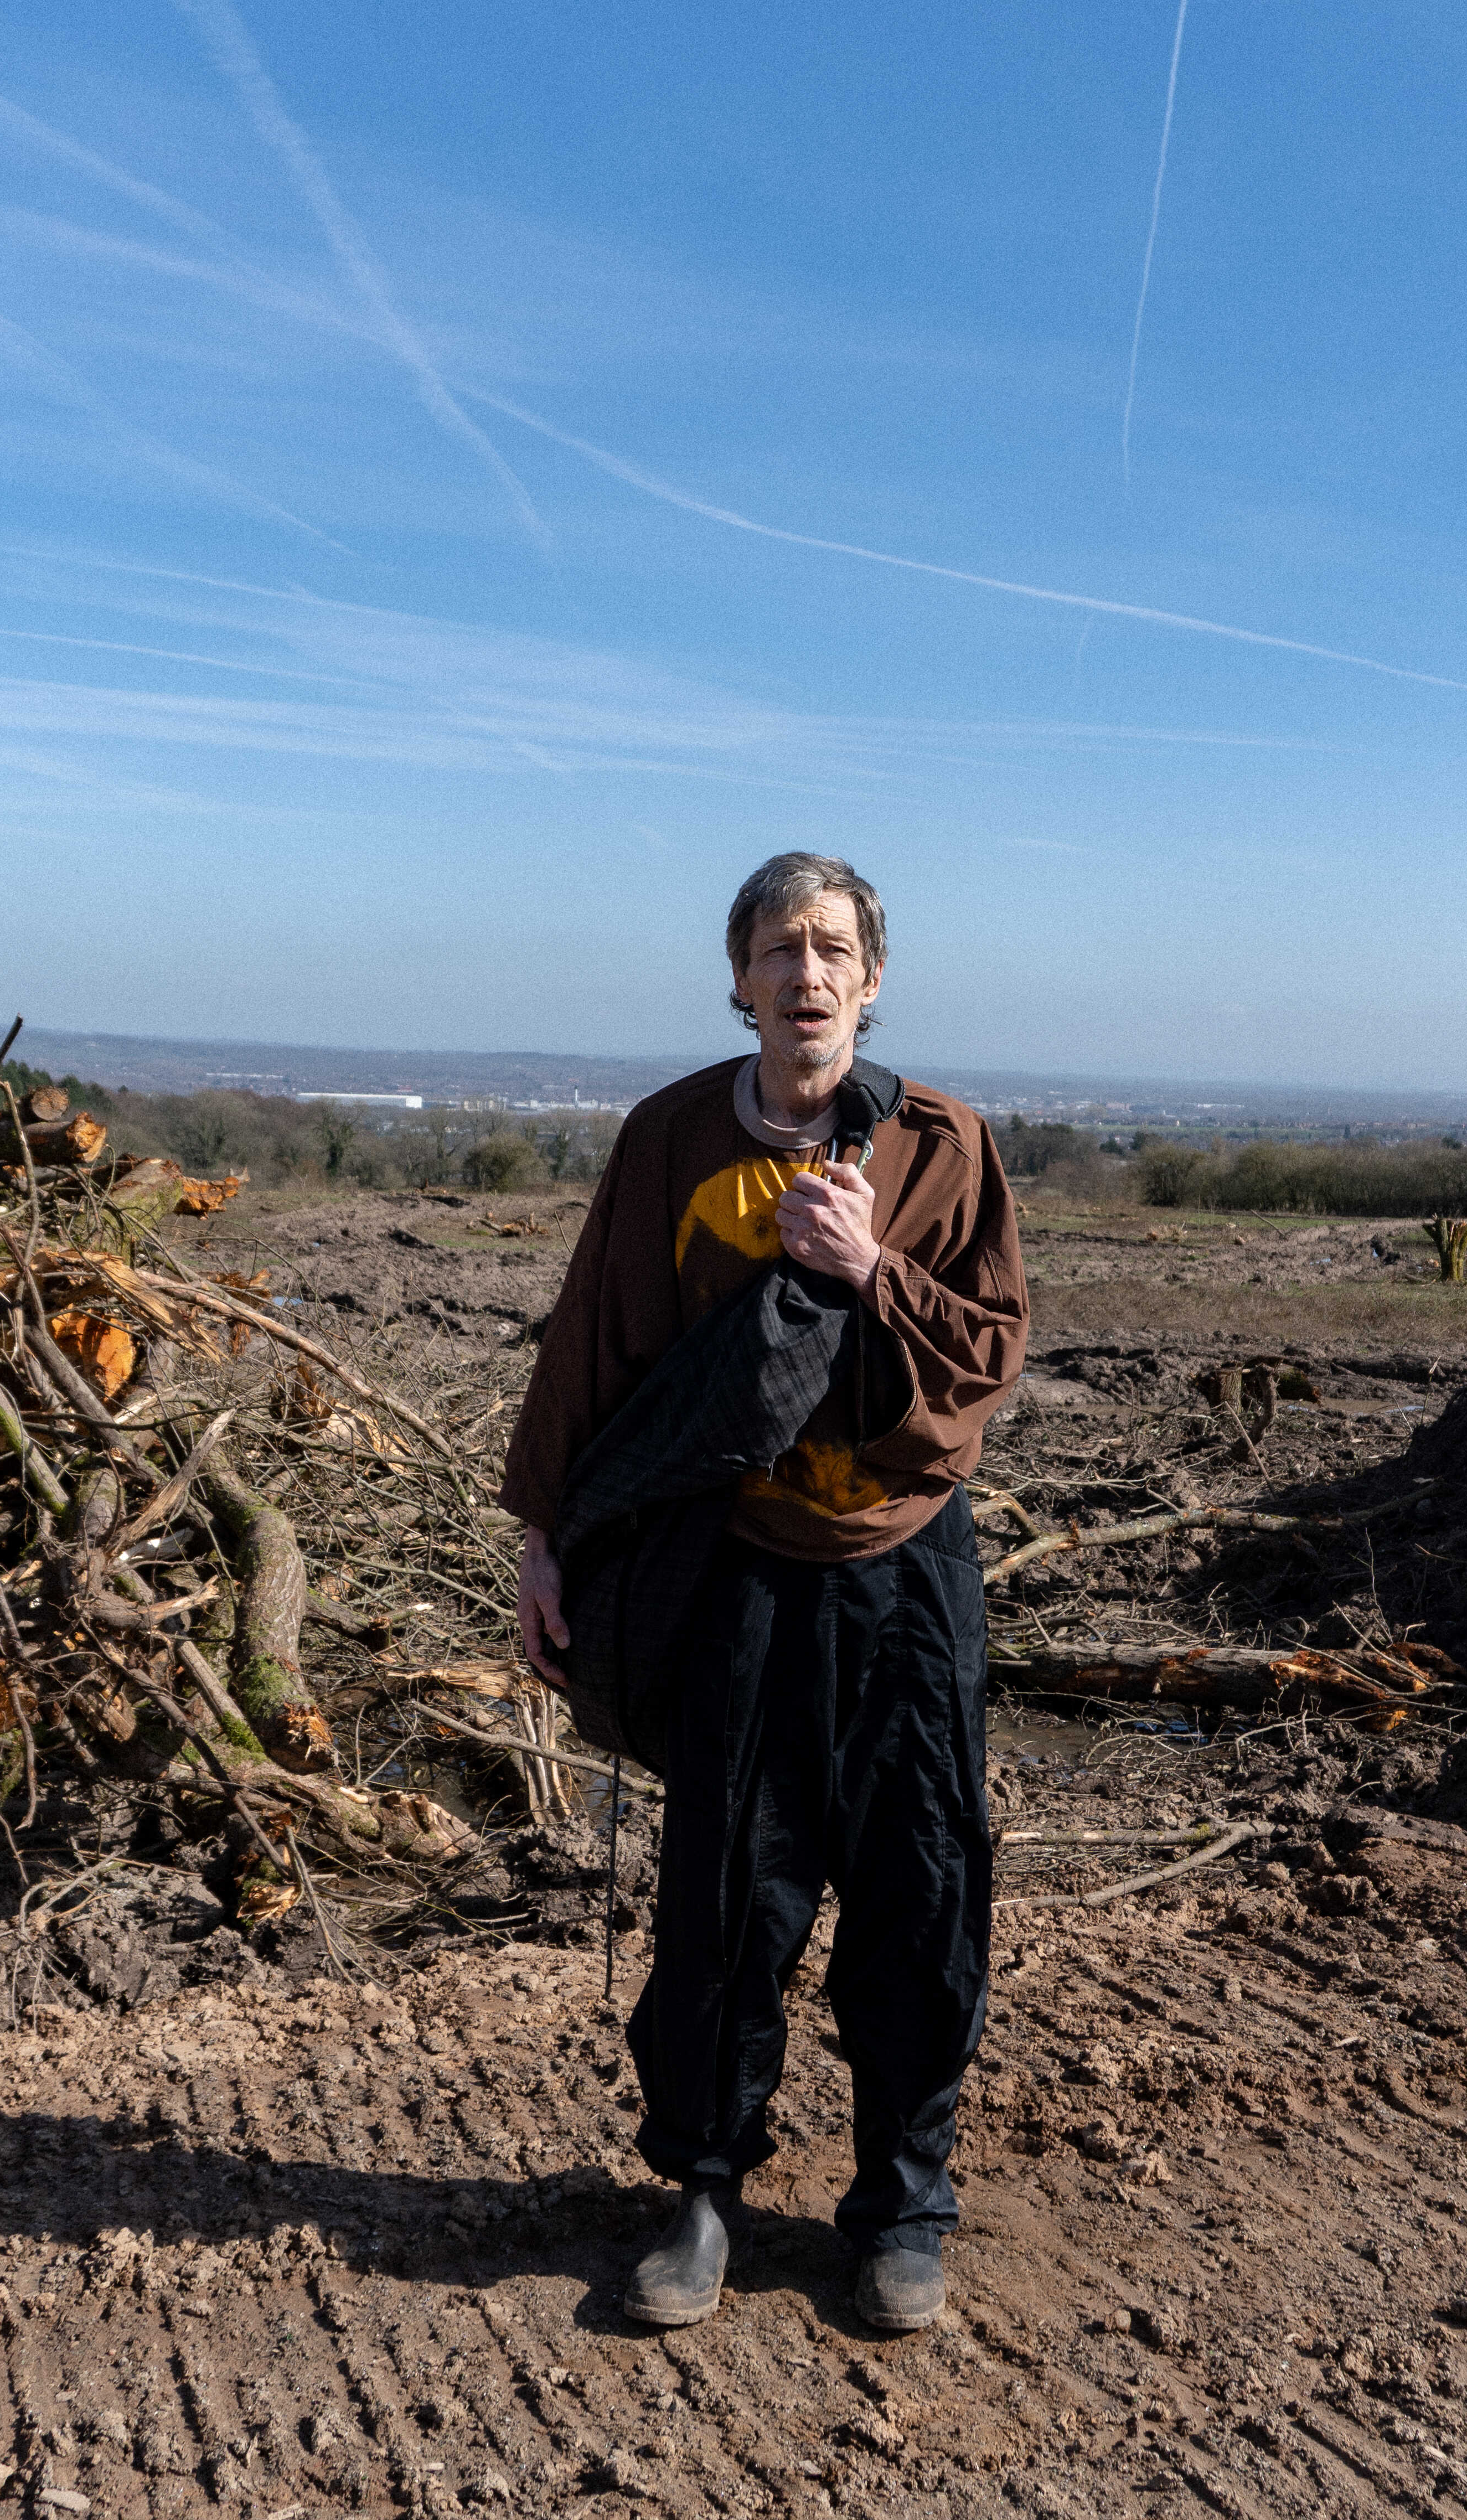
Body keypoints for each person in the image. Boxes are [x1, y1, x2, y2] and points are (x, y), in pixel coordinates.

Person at [497, 851, 1027, 2332]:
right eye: (780, 948)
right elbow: (593, 1347)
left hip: (908, 1577)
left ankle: (903, 2207)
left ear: (873, 978)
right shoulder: (671, 1138)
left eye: (833, 948)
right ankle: (704, 2189)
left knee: (924, 1892)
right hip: (732, 1574)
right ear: (739, 979)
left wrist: (871, 1270)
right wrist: (543, 1540)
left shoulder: (940, 1144)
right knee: (726, 1896)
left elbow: (989, 1354)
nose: (807, 974)